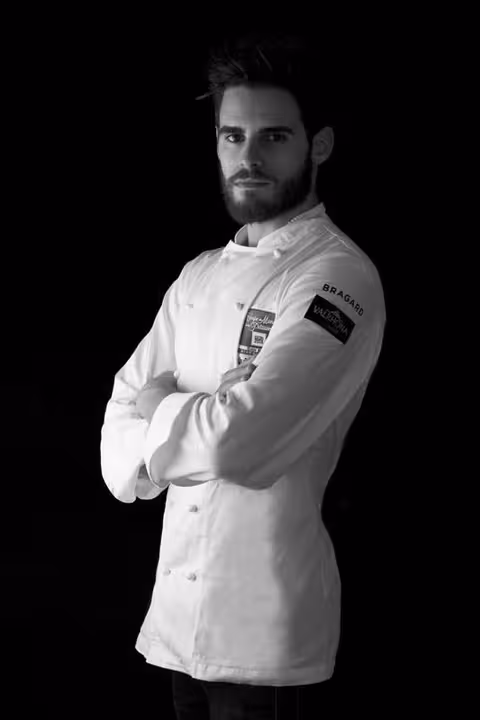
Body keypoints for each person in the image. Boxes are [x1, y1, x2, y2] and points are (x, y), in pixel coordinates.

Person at [100, 27, 386, 720]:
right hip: (175, 627)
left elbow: (239, 444)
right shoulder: (197, 277)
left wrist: (163, 405)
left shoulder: (336, 277)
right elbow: (115, 442)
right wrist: (200, 410)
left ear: (319, 144)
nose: (248, 158)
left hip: (265, 635)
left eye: (274, 137)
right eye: (233, 136)